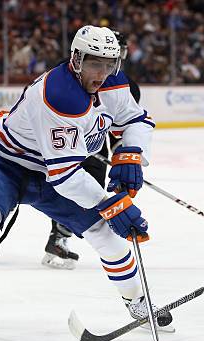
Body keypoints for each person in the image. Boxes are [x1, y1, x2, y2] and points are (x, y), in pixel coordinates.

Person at [0, 25, 172, 341]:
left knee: (105, 235)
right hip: (6, 163)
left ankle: (138, 304)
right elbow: (66, 176)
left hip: (52, 170)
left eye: (111, 64)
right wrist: (110, 203)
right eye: (96, 63)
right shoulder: (60, 94)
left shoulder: (113, 84)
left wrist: (131, 152)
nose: (104, 72)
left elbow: (136, 121)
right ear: (77, 59)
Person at [42, 30, 142, 270]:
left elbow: (125, 127)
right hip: (64, 145)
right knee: (64, 191)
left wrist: (125, 157)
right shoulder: (67, 73)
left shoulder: (125, 86)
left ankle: (63, 238)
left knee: (90, 197)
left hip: (97, 148)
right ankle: (58, 238)